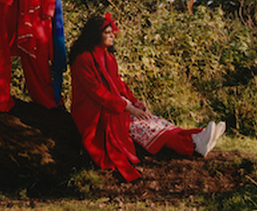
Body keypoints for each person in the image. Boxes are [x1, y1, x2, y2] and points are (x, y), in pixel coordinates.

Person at [69, 13, 226, 182]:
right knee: (143, 125)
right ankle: (193, 144)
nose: (112, 35)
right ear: (95, 35)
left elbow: (119, 85)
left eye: (112, 32)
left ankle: (198, 137)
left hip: (114, 104)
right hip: (95, 112)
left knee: (153, 120)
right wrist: (127, 107)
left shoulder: (109, 57)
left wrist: (135, 102)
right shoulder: (83, 60)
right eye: (107, 33)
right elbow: (97, 92)